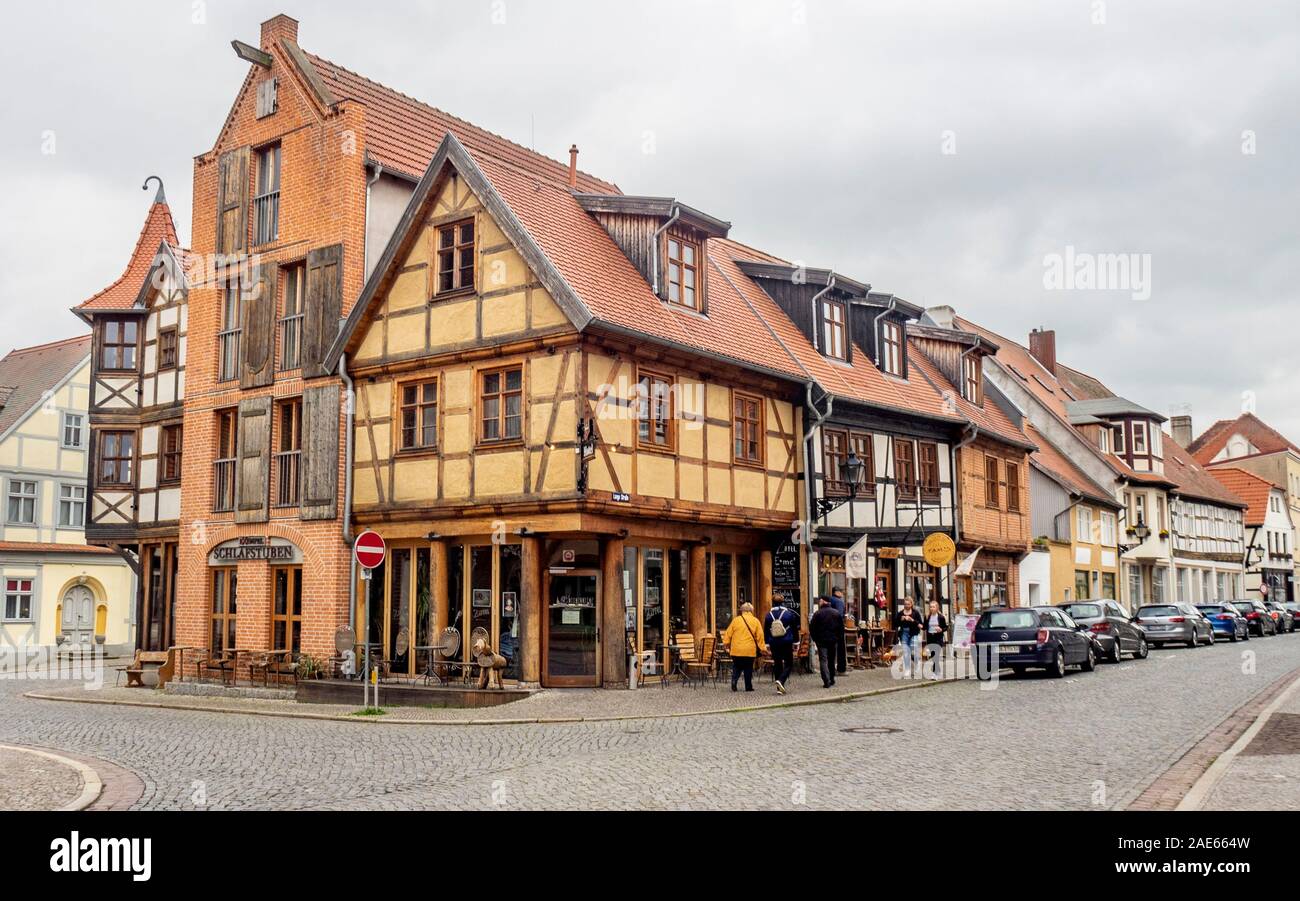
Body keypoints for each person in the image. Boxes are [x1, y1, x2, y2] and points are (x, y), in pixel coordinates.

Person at [722, 602, 767, 692]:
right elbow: (760, 636)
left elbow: (728, 633)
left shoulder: (736, 620)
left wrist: (726, 643)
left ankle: (734, 681)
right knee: (748, 668)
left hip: (736, 650)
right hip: (749, 650)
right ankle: (748, 686)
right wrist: (763, 649)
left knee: (737, 667)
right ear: (751, 610)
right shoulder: (755, 621)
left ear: (742, 610)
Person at [765, 595, 798, 694]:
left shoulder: (768, 615)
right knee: (789, 663)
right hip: (786, 641)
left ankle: (779, 688)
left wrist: (767, 643)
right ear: (783, 602)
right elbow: (794, 629)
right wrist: (796, 642)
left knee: (777, 663)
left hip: (774, 642)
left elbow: (766, 630)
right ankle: (781, 680)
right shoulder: (788, 614)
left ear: (773, 602)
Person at [809, 597, 845, 688]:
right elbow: (841, 629)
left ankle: (826, 680)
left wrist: (815, 639)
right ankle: (832, 678)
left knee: (823, 660)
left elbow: (812, 628)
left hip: (821, 641)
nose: (819, 602)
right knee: (831, 660)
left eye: (820, 601)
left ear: (824, 601)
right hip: (833, 640)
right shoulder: (836, 613)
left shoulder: (817, 614)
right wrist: (837, 638)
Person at [896, 596, 924, 678]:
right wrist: (900, 620)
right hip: (904, 633)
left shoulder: (915, 613)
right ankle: (907, 670)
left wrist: (912, 620)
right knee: (906, 652)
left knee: (913, 650)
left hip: (913, 633)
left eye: (908, 604)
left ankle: (917, 663)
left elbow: (921, 625)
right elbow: (895, 624)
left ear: (911, 604)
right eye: (905, 604)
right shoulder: (901, 613)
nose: (906, 606)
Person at [923, 599, 949, 679]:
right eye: (930, 607)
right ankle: (938, 671)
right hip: (930, 637)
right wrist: (918, 625)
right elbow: (924, 627)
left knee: (936, 656)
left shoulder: (941, 617)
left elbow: (945, 627)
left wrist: (941, 629)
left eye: (933, 607)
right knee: (933, 655)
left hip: (938, 638)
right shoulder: (927, 617)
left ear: (937, 608)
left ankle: (935, 673)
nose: (931, 608)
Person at [828, 586, 849, 675]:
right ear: (836, 592)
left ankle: (830, 669)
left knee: (831, 649)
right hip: (837, 628)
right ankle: (841, 669)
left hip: (828, 628)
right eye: (841, 592)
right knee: (840, 649)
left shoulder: (829, 600)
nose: (842, 593)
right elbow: (839, 615)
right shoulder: (839, 602)